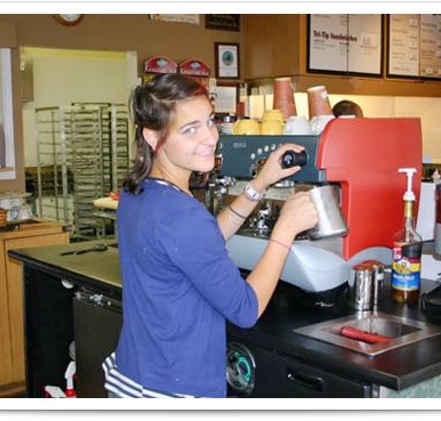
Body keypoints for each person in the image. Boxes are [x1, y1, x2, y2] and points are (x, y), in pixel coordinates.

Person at [102, 73, 318, 398]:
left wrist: (259, 184)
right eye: (190, 130)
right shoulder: (181, 214)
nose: (209, 138)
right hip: (174, 390)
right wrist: (284, 231)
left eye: (210, 122)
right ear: (153, 136)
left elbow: (202, 243)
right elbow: (246, 309)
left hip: (135, 373)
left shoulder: (138, 192)